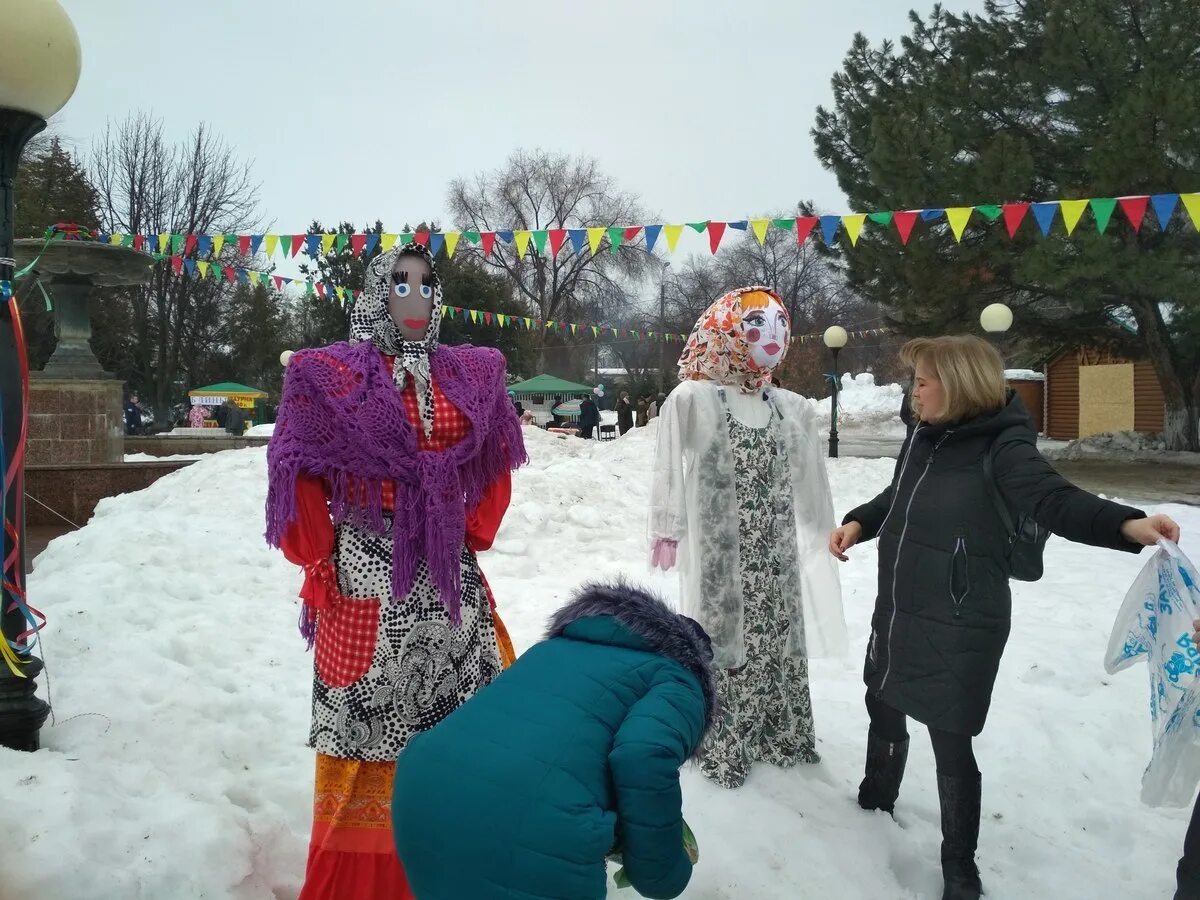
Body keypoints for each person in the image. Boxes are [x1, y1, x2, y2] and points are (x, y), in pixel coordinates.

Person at [828, 335, 1180, 900]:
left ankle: (959, 868)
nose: (912, 390)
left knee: (950, 735)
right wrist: (859, 523)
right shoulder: (923, 434)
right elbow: (898, 496)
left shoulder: (1003, 446)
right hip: (898, 604)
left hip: (962, 616)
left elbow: (1053, 498)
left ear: (959, 385)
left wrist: (1126, 525)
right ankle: (878, 792)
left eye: (922, 381)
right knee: (882, 698)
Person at [266, 244, 527, 900]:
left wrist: (464, 533)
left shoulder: (470, 374)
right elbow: (298, 471)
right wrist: (321, 551)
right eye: (401, 284)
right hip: (370, 590)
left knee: (453, 740)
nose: (417, 297)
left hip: (445, 594)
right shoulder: (327, 377)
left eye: (426, 284)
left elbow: (494, 465)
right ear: (375, 291)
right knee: (365, 748)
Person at [392, 582, 714, 900]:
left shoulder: (551, 649)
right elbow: (644, 756)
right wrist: (664, 873)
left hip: (422, 787)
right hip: (533, 819)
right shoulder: (679, 679)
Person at [649, 286, 847, 789]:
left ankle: (778, 730)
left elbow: (811, 481)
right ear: (728, 330)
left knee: (775, 636)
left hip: (775, 559)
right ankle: (723, 737)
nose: (773, 336)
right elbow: (667, 463)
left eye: (781, 326)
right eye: (758, 325)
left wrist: (824, 526)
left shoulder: (791, 409)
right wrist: (667, 526)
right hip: (719, 557)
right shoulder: (696, 401)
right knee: (719, 639)